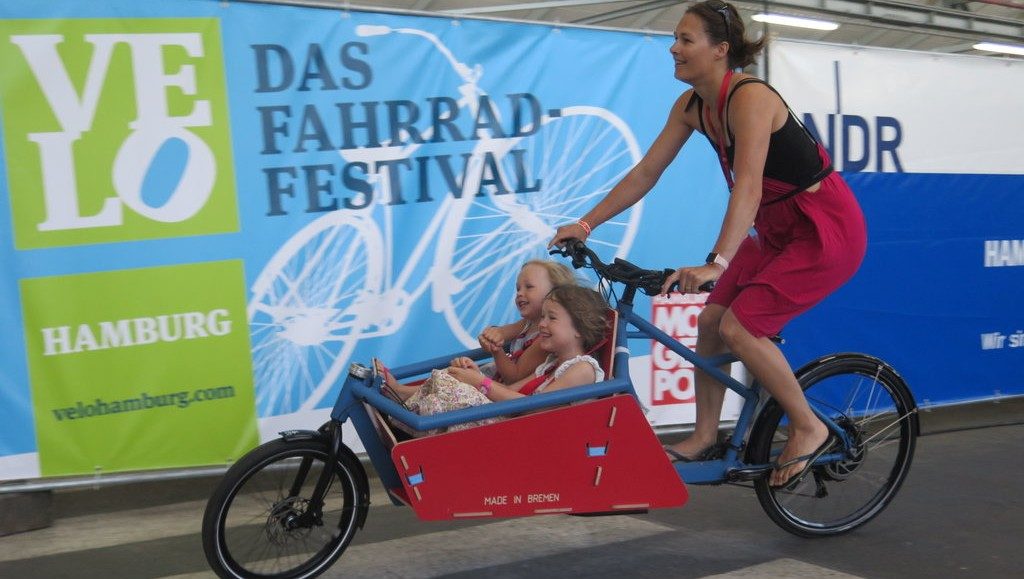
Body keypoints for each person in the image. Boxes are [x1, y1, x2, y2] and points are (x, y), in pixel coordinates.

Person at [548, 0, 867, 489]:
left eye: (685, 39)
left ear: (720, 51)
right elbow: (647, 171)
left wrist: (717, 261)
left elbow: (749, 186)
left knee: (741, 327)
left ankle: (808, 426)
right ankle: (704, 435)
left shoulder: (751, 98)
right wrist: (586, 224)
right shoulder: (692, 106)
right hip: (776, 230)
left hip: (822, 230)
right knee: (711, 322)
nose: (673, 48)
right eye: (674, 39)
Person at [376, 285, 609, 435]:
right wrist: (475, 376)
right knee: (449, 377)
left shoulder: (583, 369)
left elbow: (533, 406)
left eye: (552, 318)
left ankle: (405, 414)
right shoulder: (551, 363)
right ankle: (403, 404)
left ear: (578, 328)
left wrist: (480, 384)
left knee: (450, 386)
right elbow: (512, 390)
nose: (543, 324)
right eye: (543, 317)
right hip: (515, 423)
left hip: (525, 434)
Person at [476, 260, 577, 383]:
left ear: (555, 293)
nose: (519, 293)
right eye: (518, 288)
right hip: (497, 383)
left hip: (505, 390)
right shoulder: (527, 323)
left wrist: (496, 350)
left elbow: (513, 376)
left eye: (529, 287)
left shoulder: (546, 337)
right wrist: (490, 336)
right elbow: (501, 333)